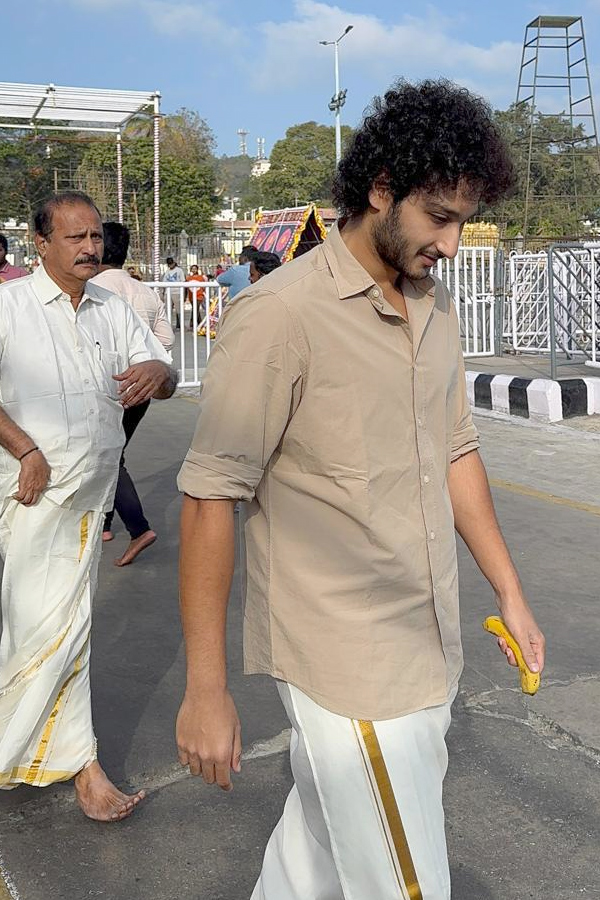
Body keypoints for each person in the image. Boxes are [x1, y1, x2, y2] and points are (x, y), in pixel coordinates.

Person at [175, 79, 546, 899]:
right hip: (347, 668)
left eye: (462, 219)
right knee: (404, 884)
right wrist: (206, 691)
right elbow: (210, 498)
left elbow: (456, 449)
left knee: (313, 858)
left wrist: (510, 593)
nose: (451, 243)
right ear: (380, 188)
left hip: (428, 646)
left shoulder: (433, 305)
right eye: (439, 217)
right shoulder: (282, 317)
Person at [0, 191, 176, 822]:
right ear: (39, 243)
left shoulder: (110, 307)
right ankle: (73, 762)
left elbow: (164, 374)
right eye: (73, 238)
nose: (89, 248)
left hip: (89, 500)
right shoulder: (9, 306)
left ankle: (80, 763)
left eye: (95, 237)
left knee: (65, 630)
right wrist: (26, 451)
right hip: (29, 499)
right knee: (32, 631)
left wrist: (159, 370)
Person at [91, 222, 175, 565]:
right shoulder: (145, 292)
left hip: (106, 385)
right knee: (114, 452)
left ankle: (137, 527)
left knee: (109, 456)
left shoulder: (90, 289)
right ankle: (107, 523)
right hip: (140, 385)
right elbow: (165, 341)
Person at [163, 256, 185, 328]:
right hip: (168, 292)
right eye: (169, 264)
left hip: (177, 292)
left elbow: (183, 281)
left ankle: (181, 324)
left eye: (171, 263)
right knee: (168, 309)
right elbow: (164, 282)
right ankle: (169, 325)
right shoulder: (167, 271)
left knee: (179, 310)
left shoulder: (179, 270)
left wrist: (183, 293)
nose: (170, 265)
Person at [187, 264, 207, 328]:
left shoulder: (201, 277)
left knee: (195, 309)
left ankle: (192, 323)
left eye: (195, 269)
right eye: (193, 269)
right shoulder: (188, 278)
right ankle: (200, 323)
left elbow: (203, 287)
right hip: (191, 296)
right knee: (196, 309)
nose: (194, 270)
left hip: (199, 295)